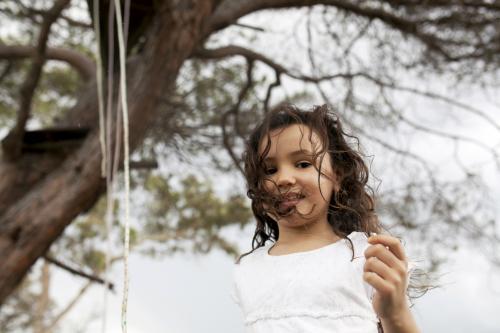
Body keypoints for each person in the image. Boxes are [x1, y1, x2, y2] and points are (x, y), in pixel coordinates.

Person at [231, 104, 421, 333]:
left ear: (337, 176)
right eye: (270, 170)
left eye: (303, 164)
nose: (283, 178)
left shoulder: (367, 256)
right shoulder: (248, 269)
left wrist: (395, 313)